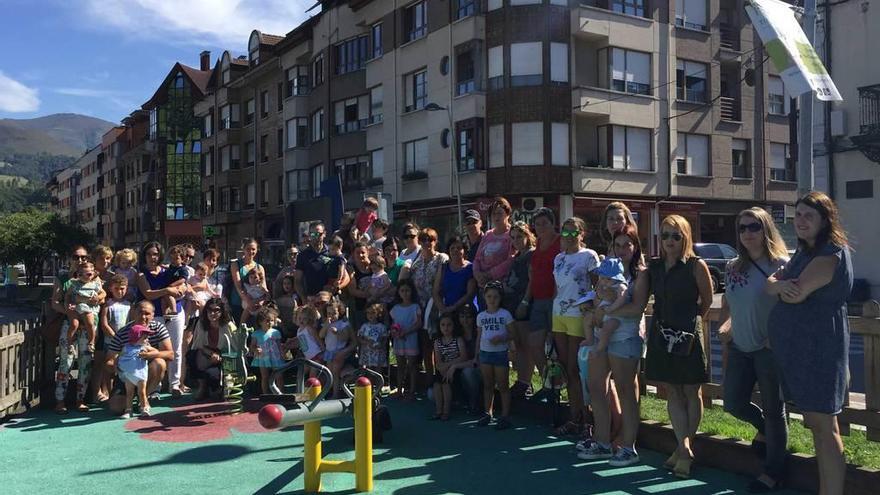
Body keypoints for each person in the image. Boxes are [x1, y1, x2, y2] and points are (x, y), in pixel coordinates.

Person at [767, 192, 852, 495]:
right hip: (800, 352)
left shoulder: (830, 253)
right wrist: (778, 285)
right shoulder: (804, 252)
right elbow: (771, 285)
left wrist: (781, 285)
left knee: (824, 428)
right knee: (817, 426)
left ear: (825, 220)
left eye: (809, 216)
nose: (801, 221)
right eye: (798, 214)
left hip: (820, 350)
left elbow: (797, 292)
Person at [718, 207, 789, 492]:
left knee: (774, 410)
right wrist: (726, 324)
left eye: (754, 227)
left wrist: (780, 336)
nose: (747, 233)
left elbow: (794, 306)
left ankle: (773, 472)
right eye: (742, 228)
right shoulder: (733, 265)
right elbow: (730, 302)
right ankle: (765, 432)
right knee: (732, 403)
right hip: (740, 346)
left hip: (768, 349)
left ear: (766, 229)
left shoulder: (781, 264)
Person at [646, 215, 713, 479]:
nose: (670, 241)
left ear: (685, 236)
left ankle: (685, 450)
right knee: (672, 391)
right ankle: (682, 449)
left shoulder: (697, 265)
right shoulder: (655, 267)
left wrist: (692, 325)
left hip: (688, 335)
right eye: (665, 235)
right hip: (662, 334)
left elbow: (706, 301)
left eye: (676, 235)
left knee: (691, 390)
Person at [581, 225, 649, 467]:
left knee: (626, 392)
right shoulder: (606, 271)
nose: (621, 250)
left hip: (625, 339)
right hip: (600, 338)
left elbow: (636, 308)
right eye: (617, 245)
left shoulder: (640, 274)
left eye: (626, 245)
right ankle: (602, 443)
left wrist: (608, 309)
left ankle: (629, 447)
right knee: (597, 388)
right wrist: (596, 309)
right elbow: (596, 297)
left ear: (635, 247)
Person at [551, 216, 600, 436]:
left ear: (582, 234)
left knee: (577, 368)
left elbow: (598, 286)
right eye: (565, 232)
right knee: (565, 368)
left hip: (578, 315)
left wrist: (592, 309)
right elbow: (557, 288)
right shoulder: (558, 258)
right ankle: (574, 417)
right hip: (558, 315)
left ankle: (587, 419)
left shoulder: (589, 256)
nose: (569, 237)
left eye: (573, 233)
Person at [136, 241, 188, 396]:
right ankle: (155, 388)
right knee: (154, 351)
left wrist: (181, 289)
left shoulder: (167, 269)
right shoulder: (140, 274)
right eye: (149, 254)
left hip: (175, 313)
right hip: (153, 316)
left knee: (176, 349)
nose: (153, 257)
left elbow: (183, 285)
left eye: (156, 254)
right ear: (144, 256)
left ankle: (175, 384)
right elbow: (149, 294)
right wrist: (168, 290)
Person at [52, 245, 99, 413]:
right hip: (71, 321)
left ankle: (80, 399)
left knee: (85, 362)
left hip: (88, 324)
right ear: (70, 258)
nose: (80, 260)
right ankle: (60, 400)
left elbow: (101, 295)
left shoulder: (92, 276)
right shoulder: (64, 278)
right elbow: (55, 302)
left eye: (83, 257)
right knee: (66, 361)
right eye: (76, 256)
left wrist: (96, 299)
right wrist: (71, 312)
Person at [105, 301, 174, 415]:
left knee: (160, 363)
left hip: (146, 371)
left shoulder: (158, 327)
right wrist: (118, 367)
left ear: (153, 315)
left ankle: (143, 399)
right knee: (116, 407)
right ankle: (129, 400)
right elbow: (109, 361)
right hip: (126, 374)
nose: (143, 317)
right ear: (133, 312)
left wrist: (151, 355)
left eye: (147, 314)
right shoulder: (123, 332)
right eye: (140, 313)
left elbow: (170, 354)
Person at [522, 207, 560, 396]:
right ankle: (548, 383)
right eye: (537, 224)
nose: (541, 227)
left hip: (556, 301)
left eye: (545, 223)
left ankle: (559, 385)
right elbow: (533, 274)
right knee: (534, 343)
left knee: (557, 348)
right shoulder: (537, 244)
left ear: (553, 223)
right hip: (538, 300)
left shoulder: (560, 242)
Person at [408, 228, 448, 379]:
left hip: (436, 307)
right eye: (423, 239)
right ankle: (430, 379)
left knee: (438, 345)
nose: (427, 243)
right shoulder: (416, 263)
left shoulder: (441, 259)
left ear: (435, 241)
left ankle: (442, 377)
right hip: (420, 308)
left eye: (430, 239)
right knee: (425, 346)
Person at [476, 282, 513, 430]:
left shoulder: (505, 314)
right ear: (484, 297)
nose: (492, 300)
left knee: (503, 385)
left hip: (500, 353)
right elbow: (479, 335)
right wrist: (476, 353)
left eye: (495, 297)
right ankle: (487, 412)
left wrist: (502, 338)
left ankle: (505, 415)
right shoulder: (481, 316)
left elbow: (513, 333)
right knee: (488, 384)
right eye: (489, 296)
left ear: (500, 298)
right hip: (485, 353)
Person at [504, 221, 535, 398]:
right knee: (519, 346)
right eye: (513, 237)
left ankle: (526, 382)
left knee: (526, 346)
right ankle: (522, 380)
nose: (516, 240)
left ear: (527, 236)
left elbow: (532, 281)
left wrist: (525, 302)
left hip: (525, 303)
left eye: (519, 237)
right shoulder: (516, 256)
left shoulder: (531, 255)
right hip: (512, 303)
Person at [185, 298, 239, 401]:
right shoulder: (201, 323)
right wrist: (211, 354)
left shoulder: (229, 326)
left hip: (227, 358)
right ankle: (202, 387)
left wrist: (221, 357)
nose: (212, 313)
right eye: (209, 310)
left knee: (214, 376)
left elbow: (235, 350)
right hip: (208, 354)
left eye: (216, 310)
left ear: (222, 311)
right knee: (192, 356)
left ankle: (222, 389)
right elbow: (198, 345)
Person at [97, 274, 132, 402]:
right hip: (110, 342)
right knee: (109, 367)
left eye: (122, 288)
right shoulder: (108, 305)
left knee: (123, 367)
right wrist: (115, 336)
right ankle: (107, 391)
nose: (120, 291)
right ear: (111, 288)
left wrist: (124, 339)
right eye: (116, 288)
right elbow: (104, 324)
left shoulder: (129, 305)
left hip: (125, 343)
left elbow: (131, 323)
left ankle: (123, 392)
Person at [473, 197, 514, 291]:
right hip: (483, 287)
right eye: (493, 214)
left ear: (507, 214)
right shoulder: (487, 235)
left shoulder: (512, 234)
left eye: (499, 213)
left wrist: (489, 275)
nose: (496, 217)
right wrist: (477, 274)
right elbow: (477, 259)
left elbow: (511, 260)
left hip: (501, 287)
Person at [432, 313, 468, 421]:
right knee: (437, 384)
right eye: (443, 325)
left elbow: (463, 357)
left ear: (453, 326)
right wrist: (442, 369)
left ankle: (446, 411)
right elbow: (438, 361)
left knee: (446, 384)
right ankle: (439, 411)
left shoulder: (458, 340)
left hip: (456, 369)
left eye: (449, 325)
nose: (446, 328)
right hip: (442, 369)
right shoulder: (437, 342)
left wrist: (449, 366)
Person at [391, 279, 422, 399]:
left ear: (412, 292)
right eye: (402, 290)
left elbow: (418, 323)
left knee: (412, 365)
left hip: (411, 339)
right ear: (398, 292)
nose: (405, 293)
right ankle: (399, 390)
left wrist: (406, 332)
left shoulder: (415, 307)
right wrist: (395, 332)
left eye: (407, 290)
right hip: (399, 340)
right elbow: (394, 324)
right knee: (400, 365)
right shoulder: (395, 308)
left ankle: (412, 390)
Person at [65, 262, 105, 354]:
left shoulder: (95, 284)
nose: (86, 276)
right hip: (76, 307)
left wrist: (98, 298)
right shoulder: (74, 284)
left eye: (90, 274)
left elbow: (103, 293)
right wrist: (68, 304)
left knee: (90, 323)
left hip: (88, 308)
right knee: (74, 324)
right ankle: (70, 344)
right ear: (78, 274)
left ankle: (91, 342)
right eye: (81, 274)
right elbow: (68, 295)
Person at [433, 236, 476, 319]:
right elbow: (435, 292)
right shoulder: (443, 268)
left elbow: (470, 293)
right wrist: (442, 309)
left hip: (466, 313)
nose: (455, 250)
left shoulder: (470, 268)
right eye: (452, 248)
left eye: (459, 248)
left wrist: (454, 307)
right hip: (446, 311)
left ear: (464, 250)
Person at [295, 221, 340, 302]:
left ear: (324, 234)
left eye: (318, 234)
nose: (315, 237)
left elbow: (346, 275)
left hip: (330, 299)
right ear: (309, 235)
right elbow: (298, 281)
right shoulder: (302, 256)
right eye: (312, 234)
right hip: (312, 299)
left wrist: (338, 286)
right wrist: (303, 299)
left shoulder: (332, 252)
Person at [116, 324, 154, 418]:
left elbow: (156, 352)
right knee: (129, 393)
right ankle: (128, 410)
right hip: (129, 374)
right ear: (137, 337)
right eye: (145, 338)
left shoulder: (145, 347)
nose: (147, 340)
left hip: (141, 374)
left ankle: (144, 408)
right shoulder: (126, 347)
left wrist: (147, 355)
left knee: (142, 392)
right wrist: (118, 366)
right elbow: (119, 357)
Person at [320, 299, 354, 397]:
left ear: (340, 312)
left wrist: (337, 332)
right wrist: (326, 326)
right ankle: (329, 392)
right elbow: (321, 335)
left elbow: (345, 338)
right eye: (329, 313)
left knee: (335, 373)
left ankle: (336, 394)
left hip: (339, 351)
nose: (331, 316)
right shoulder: (326, 324)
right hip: (329, 352)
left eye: (334, 313)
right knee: (329, 373)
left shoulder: (343, 324)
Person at [249, 305, 285, 395]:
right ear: (260, 322)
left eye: (272, 321)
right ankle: (265, 394)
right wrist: (255, 349)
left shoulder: (276, 332)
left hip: (275, 356)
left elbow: (278, 345)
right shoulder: (256, 334)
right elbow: (252, 346)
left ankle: (281, 393)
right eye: (267, 321)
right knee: (265, 376)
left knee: (279, 376)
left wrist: (282, 354)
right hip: (263, 357)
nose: (270, 323)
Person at [230, 238, 266, 323]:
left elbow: (263, 286)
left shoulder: (260, 267)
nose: (251, 252)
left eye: (253, 249)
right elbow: (238, 286)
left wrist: (261, 301)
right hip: (238, 304)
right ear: (243, 249)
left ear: (257, 250)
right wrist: (248, 301)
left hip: (257, 305)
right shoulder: (236, 264)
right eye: (248, 249)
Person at [456, 304, 483, 414]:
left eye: (468, 316)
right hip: (461, 367)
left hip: (479, 369)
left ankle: (474, 402)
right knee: (431, 395)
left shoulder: (479, 333)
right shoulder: (456, 334)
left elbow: (476, 361)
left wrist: (454, 366)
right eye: (462, 316)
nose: (465, 320)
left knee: (468, 372)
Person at [357, 303, 389, 375]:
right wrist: (366, 342)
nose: (370, 315)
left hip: (378, 352)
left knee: (378, 370)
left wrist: (381, 345)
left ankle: (378, 384)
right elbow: (359, 337)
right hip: (367, 352)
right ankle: (368, 384)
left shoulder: (381, 327)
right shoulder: (364, 326)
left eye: (373, 313)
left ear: (378, 314)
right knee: (368, 369)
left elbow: (385, 338)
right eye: (368, 313)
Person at [160, 244, 191, 319]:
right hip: (168, 287)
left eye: (176, 258)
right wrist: (161, 265)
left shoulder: (183, 269)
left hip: (176, 287)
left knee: (169, 295)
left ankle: (174, 310)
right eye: (172, 258)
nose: (174, 260)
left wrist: (172, 285)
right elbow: (167, 268)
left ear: (182, 259)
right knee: (163, 300)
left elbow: (183, 279)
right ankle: (164, 314)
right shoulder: (171, 267)